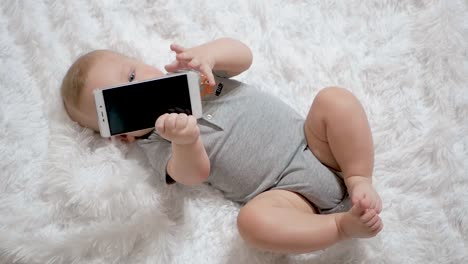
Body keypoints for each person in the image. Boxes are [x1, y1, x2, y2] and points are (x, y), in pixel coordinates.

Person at [61, 37, 383, 253]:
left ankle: (358, 178)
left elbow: (244, 56)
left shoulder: (196, 74)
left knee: (334, 100)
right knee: (252, 225)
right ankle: (341, 226)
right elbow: (192, 175)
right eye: (122, 100)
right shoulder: (158, 144)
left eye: (132, 74)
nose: (139, 88)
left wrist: (210, 54)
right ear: (124, 135)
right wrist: (185, 141)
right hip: (284, 194)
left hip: (314, 143)